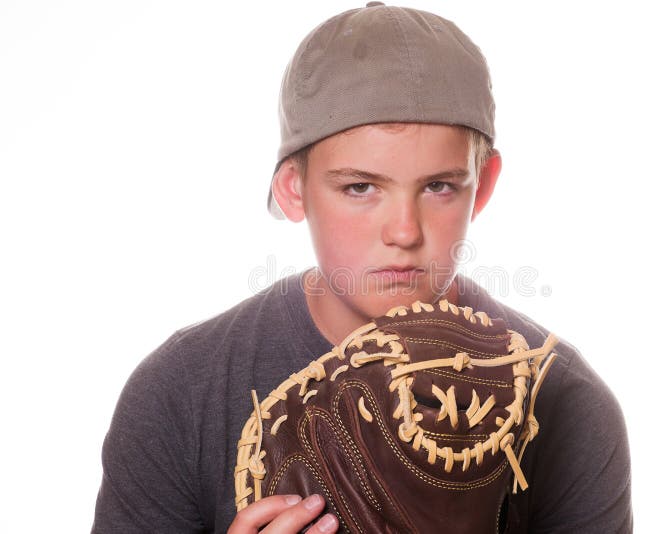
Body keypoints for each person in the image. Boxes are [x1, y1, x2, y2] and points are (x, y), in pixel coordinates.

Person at [92, 3, 632, 533]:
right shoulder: (182, 392)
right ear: (293, 188)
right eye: (361, 187)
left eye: (439, 186)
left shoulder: (563, 402)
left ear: (483, 185)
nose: (404, 231)